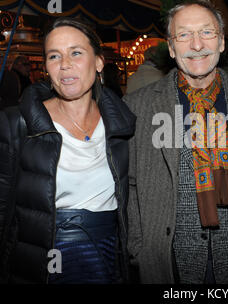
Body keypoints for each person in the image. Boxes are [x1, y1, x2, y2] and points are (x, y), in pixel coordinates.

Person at [123, 0, 228, 284]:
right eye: (184, 35)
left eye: (206, 32)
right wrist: (139, 245)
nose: (197, 45)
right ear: (172, 47)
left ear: (222, 42)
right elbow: (131, 183)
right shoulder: (138, 106)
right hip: (168, 260)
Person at [0, 17, 136, 284]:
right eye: (54, 56)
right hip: (42, 259)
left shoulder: (124, 124)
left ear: (98, 62)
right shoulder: (16, 123)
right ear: (47, 68)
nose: (64, 64)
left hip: (109, 254)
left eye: (76, 52)